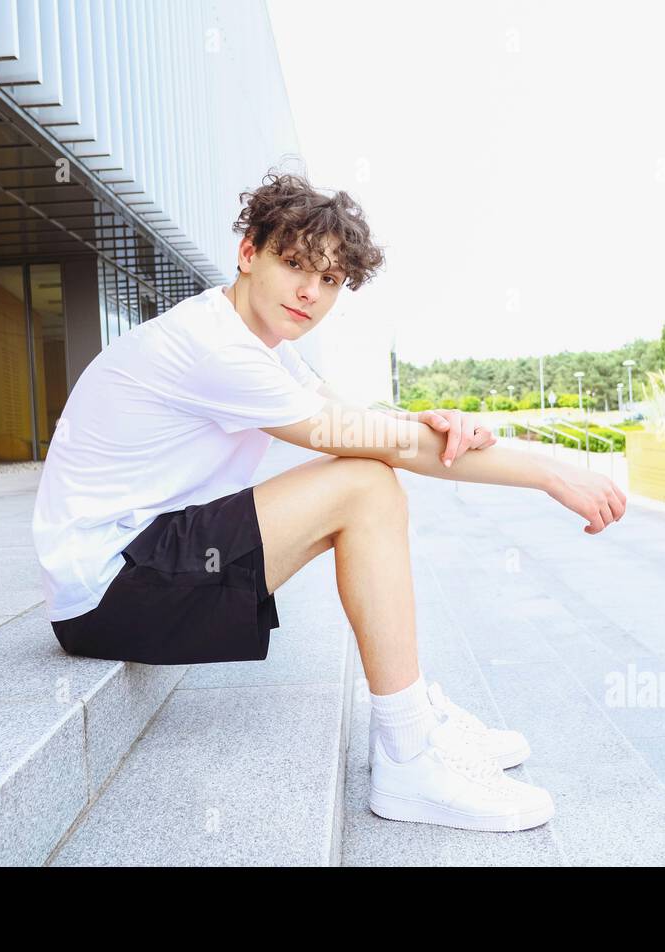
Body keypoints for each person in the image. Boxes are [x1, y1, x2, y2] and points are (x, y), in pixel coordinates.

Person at [31, 170, 627, 833]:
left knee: (368, 477)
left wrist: (432, 421)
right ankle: (408, 756)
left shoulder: (261, 345)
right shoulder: (215, 348)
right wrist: (547, 472)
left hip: (139, 564)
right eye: (294, 265)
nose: (311, 292)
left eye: (332, 280)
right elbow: (376, 447)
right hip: (109, 591)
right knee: (366, 485)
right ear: (248, 253)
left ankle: (416, 725)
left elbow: (360, 421)